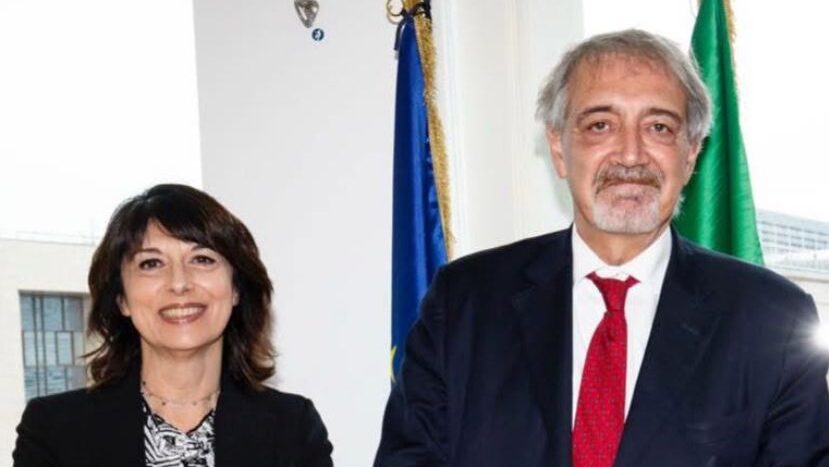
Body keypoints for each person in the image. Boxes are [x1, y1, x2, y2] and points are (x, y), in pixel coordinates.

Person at [374, 29, 829, 467]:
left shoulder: (774, 321)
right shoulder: (463, 302)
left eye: (659, 127)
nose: (630, 154)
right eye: (600, 126)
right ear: (558, 148)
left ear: (691, 153)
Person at [13, 184, 333, 467]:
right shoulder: (53, 430)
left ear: (236, 288)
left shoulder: (293, 427)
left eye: (202, 259)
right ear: (122, 299)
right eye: (151, 263)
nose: (179, 283)